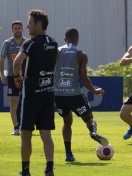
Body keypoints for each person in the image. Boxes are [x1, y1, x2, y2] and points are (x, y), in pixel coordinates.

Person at [54, 27, 109, 162]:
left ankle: (68, 154)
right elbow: (84, 78)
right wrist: (95, 91)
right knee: (89, 118)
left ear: (64, 39)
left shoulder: (56, 52)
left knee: (67, 121)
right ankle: (92, 131)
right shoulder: (81, 55)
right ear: (77, 39)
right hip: (74, 94)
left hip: (58, 94)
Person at [13, 9, 57, 176]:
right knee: (46, 133)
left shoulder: (29, 43)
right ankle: (49, 169)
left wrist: (17, 76)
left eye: (30, 23)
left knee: (26, 134)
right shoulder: (53, 43)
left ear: (38, 25)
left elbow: (17, 62)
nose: (27, 26)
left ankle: (25, 171)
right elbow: (56, 59)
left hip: (30, 95)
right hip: (48, 94)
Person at [0, 20, 27, 136]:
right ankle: (16, 127)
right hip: (11, 76)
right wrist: (2, 74)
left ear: (22, 29)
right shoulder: (7, 43)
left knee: (27, 101)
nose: (17, 30)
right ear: (12, 30)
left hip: (25, 77)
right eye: (15, 28)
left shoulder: (27, 42)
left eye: (19, 28)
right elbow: (2, 59)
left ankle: (26, 125)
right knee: (13, 101)